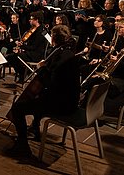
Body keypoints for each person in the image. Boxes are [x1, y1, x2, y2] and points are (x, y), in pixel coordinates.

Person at [5, 24, 80, 158]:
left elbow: (52, 84)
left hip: (62, 105)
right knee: (39, 97)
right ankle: (34, 127)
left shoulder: (60, 57)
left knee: (18, 108)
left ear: (54, 39)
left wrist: (43, 68)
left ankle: (22, 146)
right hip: (71, 100)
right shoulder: (69, 54)